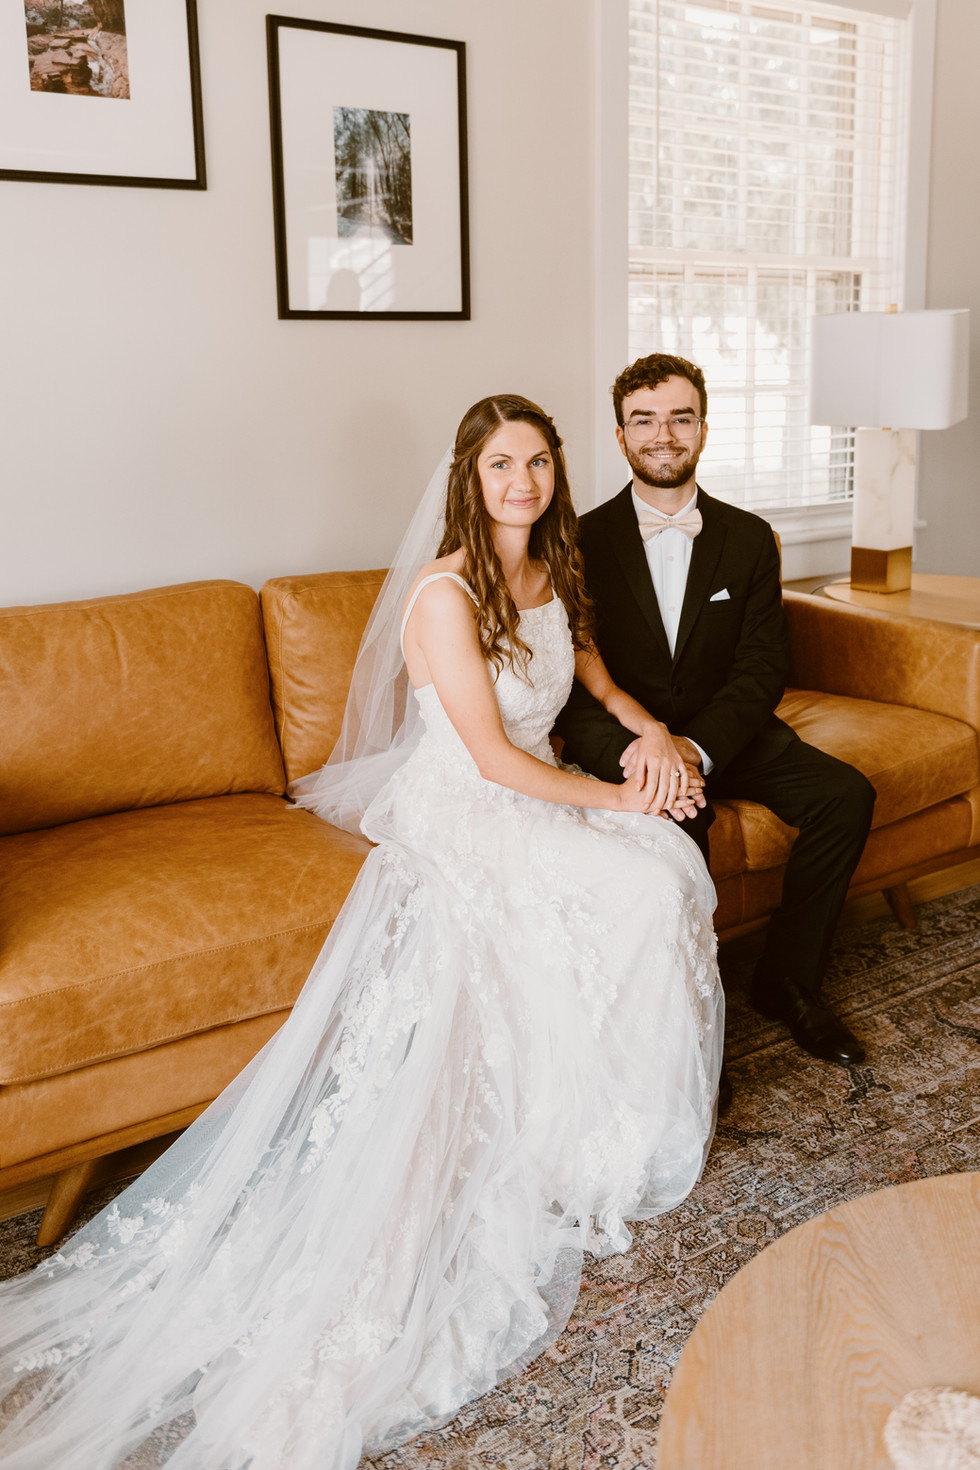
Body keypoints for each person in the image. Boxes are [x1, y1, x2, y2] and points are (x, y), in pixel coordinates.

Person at [0, 395, 723, 1470]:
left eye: (534, 462)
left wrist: (650, 731)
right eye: (498, 465)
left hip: (538, 787)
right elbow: (489, 761)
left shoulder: (550, 574)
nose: (519, 481)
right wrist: (623, 802)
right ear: (467, 480)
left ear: (554, 475)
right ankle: (578, 1126)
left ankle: (613, 1112)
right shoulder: (442, 593)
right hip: (473, 806)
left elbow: (600, 680)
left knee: (661, 870)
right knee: (645, 873)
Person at [555, 353, 876, 1076]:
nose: (662, 434)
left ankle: (787, 980)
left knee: (845, 795)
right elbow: (573, 680)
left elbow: (763, 669)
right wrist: (652, 752)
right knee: (675, 825)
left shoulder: (748, 537)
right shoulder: (576, 541)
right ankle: (688, 1030)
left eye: (679, 417)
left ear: (703, 428)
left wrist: (695, 752)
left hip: (725, 733)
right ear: (619, 435)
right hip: (625, 740)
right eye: (645, 419)